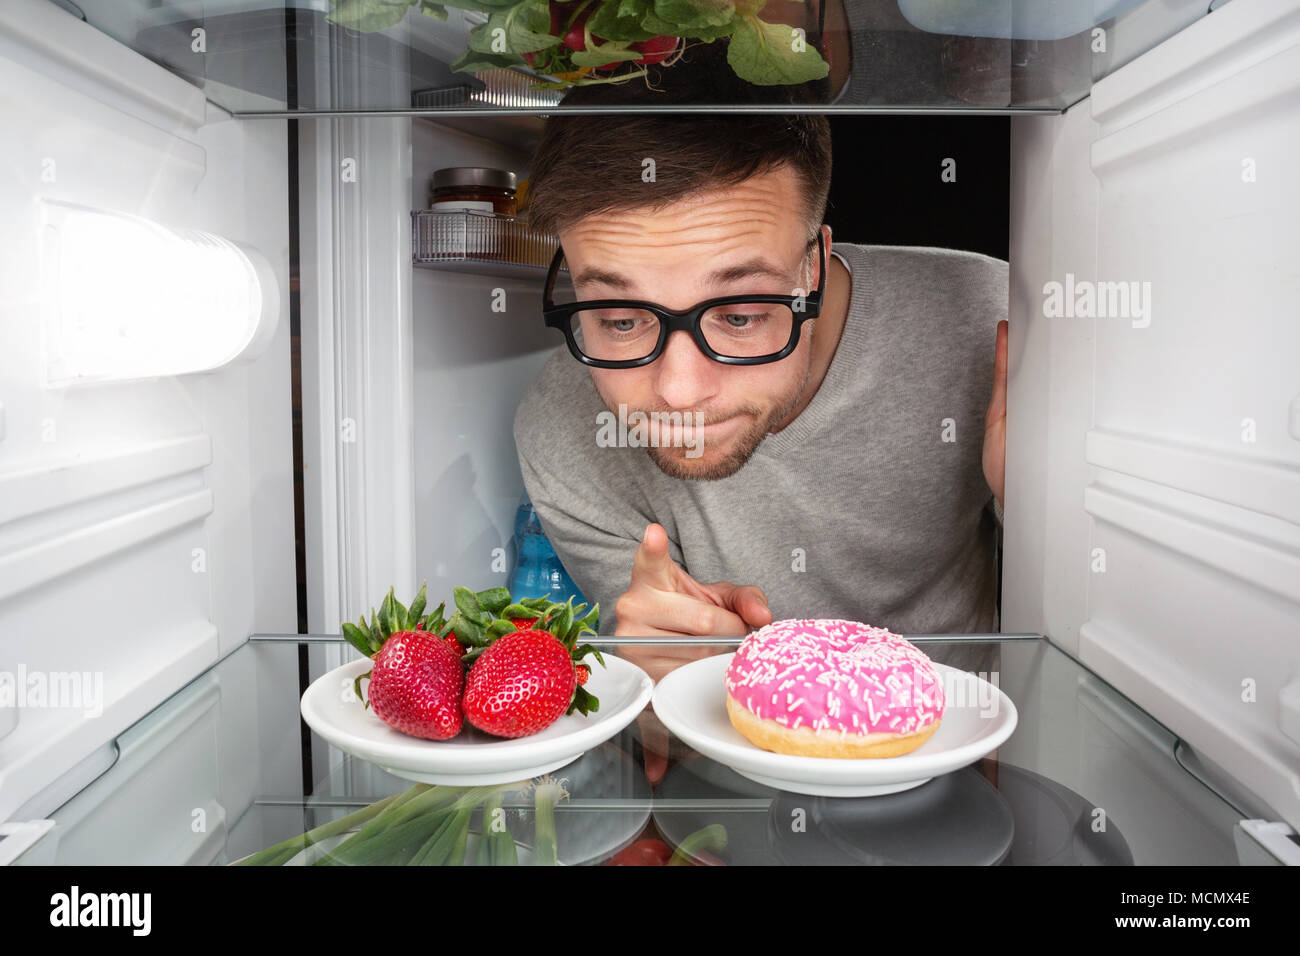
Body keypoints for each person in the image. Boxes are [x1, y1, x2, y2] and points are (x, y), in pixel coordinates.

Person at [512, 42, 1007, 775]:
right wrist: (649, 685)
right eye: (619, 319)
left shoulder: (986, 320)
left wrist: (1042, 512)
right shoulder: (558, 424)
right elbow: (667, 741)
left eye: (740, 315)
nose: (678, 393)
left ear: (813, 264)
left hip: (966, 780)